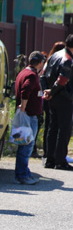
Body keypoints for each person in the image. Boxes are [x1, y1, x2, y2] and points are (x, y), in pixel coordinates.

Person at [13, 50, 45, 184]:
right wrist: (24, 107)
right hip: (29, 115)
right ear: (41, 63)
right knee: (27, 146)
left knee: (24, 145)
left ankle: (23, 172)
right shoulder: (32, 75)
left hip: (26, 114)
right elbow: (25, 90)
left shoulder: (23, 72)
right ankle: (22, 175)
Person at [43, 34, 73, 170]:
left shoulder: (54, 55)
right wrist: (52, 91)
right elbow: (62, 79)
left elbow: (43, 75)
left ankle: (50, 159)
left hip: (53, 97)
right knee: (64, 129)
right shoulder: (67, 59)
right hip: (64, 97)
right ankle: (60, 161)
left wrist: (46, 91)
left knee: (52, 127)